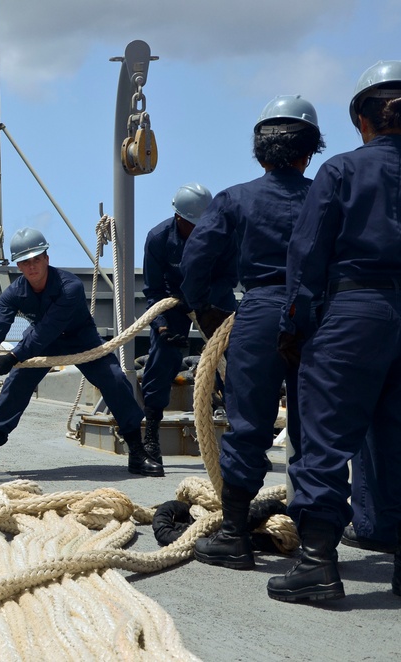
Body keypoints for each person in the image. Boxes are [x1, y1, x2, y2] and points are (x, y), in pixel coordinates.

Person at [270, 61, 401, 602]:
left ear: (361, 120)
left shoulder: (342, 171)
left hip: (356, 311)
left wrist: (294, 328)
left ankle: (318, 564)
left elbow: (307, 254)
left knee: (325, 438)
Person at [181, 95, 325, 570]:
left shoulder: (235, 199)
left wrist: (205, 307)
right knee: (316, 428)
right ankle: (315, 544)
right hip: (322, 317)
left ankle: (235, 535)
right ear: (309, 152)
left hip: (260, 311)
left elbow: (196, 262)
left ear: (261, 153)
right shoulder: (327, 194)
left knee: (248, 425)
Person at [0, 227, 162, 477]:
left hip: (81, 340)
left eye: (36, 260)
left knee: (115, 380)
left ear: (46, 259)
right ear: (18, 266)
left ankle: (137, 452)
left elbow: (47, 328)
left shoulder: (70, 287)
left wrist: (12, 357)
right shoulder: (14, 293)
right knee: (16, 383)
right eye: (25, 262)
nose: (32, 267)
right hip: (42, 345)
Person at [140, 183, 237, 464]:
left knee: (237, 358)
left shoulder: (224, 236)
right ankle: (152, 436)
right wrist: (161, 325)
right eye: (192, 224)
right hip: (173, 301)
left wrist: (199, 299)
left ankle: (240, 437)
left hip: (212, 298)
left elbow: (229, 278)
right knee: (162, 356)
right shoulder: (158, 239)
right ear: (178, 218)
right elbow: (153, 290)